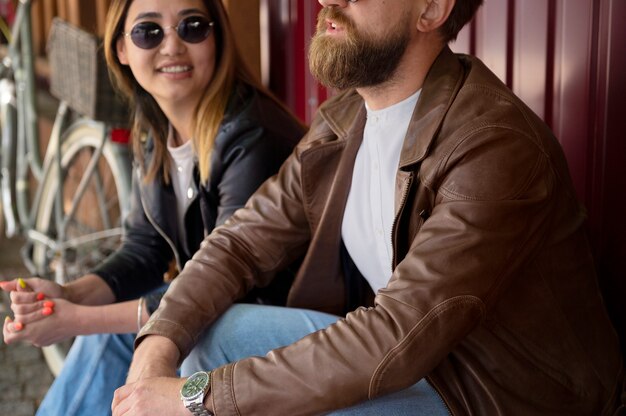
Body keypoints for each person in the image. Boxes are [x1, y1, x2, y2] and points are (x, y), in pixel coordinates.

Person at [112, 0, 625, 415]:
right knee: (208, 335)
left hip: (489, 394)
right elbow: (241, 242)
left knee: (213, 394)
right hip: (415, 360)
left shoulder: (494, 147)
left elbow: (397, 332)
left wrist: (197, 398)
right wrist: (153, 352)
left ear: (431, 9)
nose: (327, 2)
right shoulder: (348, 117)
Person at [1, 0, 304, 414]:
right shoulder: (155, 131)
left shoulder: (252, 137)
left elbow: (229, 285)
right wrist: (69, 294)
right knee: (116, 327)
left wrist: (77, 319)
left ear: (217, 39)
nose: (173, 45)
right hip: (218, 315)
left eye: (193, 27)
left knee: (115, 332)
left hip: (276, 328)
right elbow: (145, 251)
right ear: (122, 50)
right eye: (149, 31)